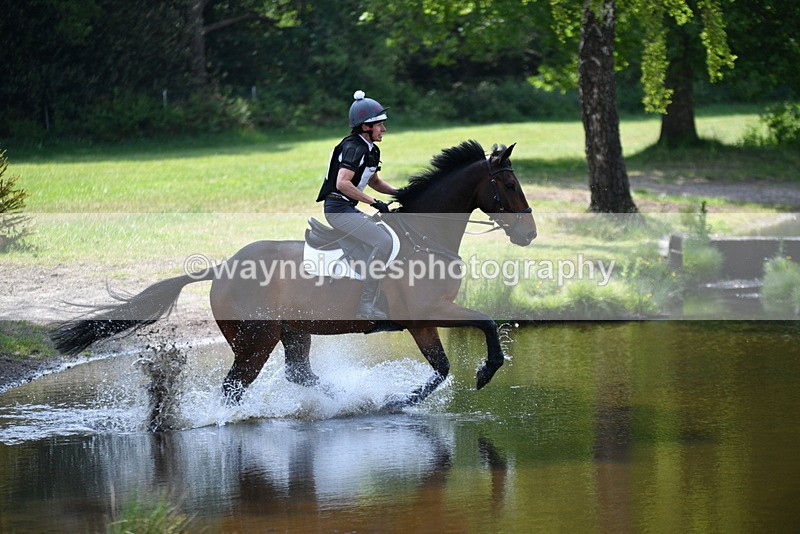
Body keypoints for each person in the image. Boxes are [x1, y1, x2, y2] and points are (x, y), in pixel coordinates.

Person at [315, 90, 398, 320]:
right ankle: (366, 305)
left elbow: (374, 181)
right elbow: (342, 183)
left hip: (348, 208)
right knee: (383, 240)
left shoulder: (371, 148)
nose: (384, 129)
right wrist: (375, 203)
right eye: (379, 125)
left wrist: (402, 192)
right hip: (337, 209)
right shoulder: (354, 147)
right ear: (365, 127)